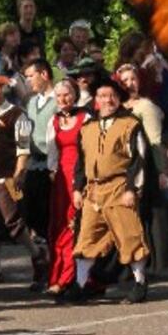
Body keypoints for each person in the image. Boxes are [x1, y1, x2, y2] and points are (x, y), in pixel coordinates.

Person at [67, 76, 150, 304]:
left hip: (120, 187)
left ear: (119, 97)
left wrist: (133, 189)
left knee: (129, 236)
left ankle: (140, 283)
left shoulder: (130, 124)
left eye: (112, 96)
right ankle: (80, 284)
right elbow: (81, 162)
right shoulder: (88, 127)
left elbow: (139, 159)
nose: (108, 100)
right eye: (103, 96)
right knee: (86, 238)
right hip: (93, 191)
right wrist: (77, 188)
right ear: (96, 99)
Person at [0, 78, 46, 290]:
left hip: (8, 176)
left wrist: (19, 173)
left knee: (12, 221)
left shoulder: (18, 114)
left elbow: (23, 148)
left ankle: (37, 256)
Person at [47, 79, 88, 294]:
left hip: (81, 175)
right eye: (59, 95)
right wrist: (53, 173)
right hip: (61, 177)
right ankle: (58, 276)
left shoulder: (86, 118)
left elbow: (91, 150)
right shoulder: (53, 121)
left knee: (77, 225)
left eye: (67, 94)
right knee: (60, 224)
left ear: (75, 95)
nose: (63, 99)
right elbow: (52, 153)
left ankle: (72, 277)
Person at [23, 59, 58, 244]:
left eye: (30, 76)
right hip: (33, 163)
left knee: (49, 214)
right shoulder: (31, 102)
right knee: (33, 214)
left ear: (44, 74)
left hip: (52, 164)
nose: (27, 81)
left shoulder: (59, 99)